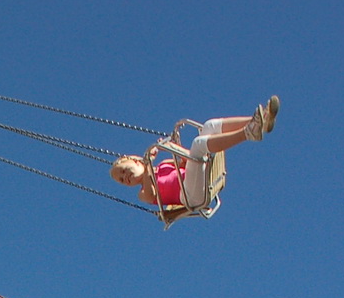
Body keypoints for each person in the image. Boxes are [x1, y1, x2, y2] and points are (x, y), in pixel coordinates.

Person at [111, 96, 279, 223]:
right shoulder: (142, 193)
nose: (124, 178)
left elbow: (187, 160)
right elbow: (151, 194)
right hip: (191, 196)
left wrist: (174, 145)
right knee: (199, 144)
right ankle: (248, 133)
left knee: (209, 126)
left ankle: (259, 122)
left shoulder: (163, 165)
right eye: (121, 180)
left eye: (124, 170)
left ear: (135, 160)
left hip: (196, 179)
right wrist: (148, 164)